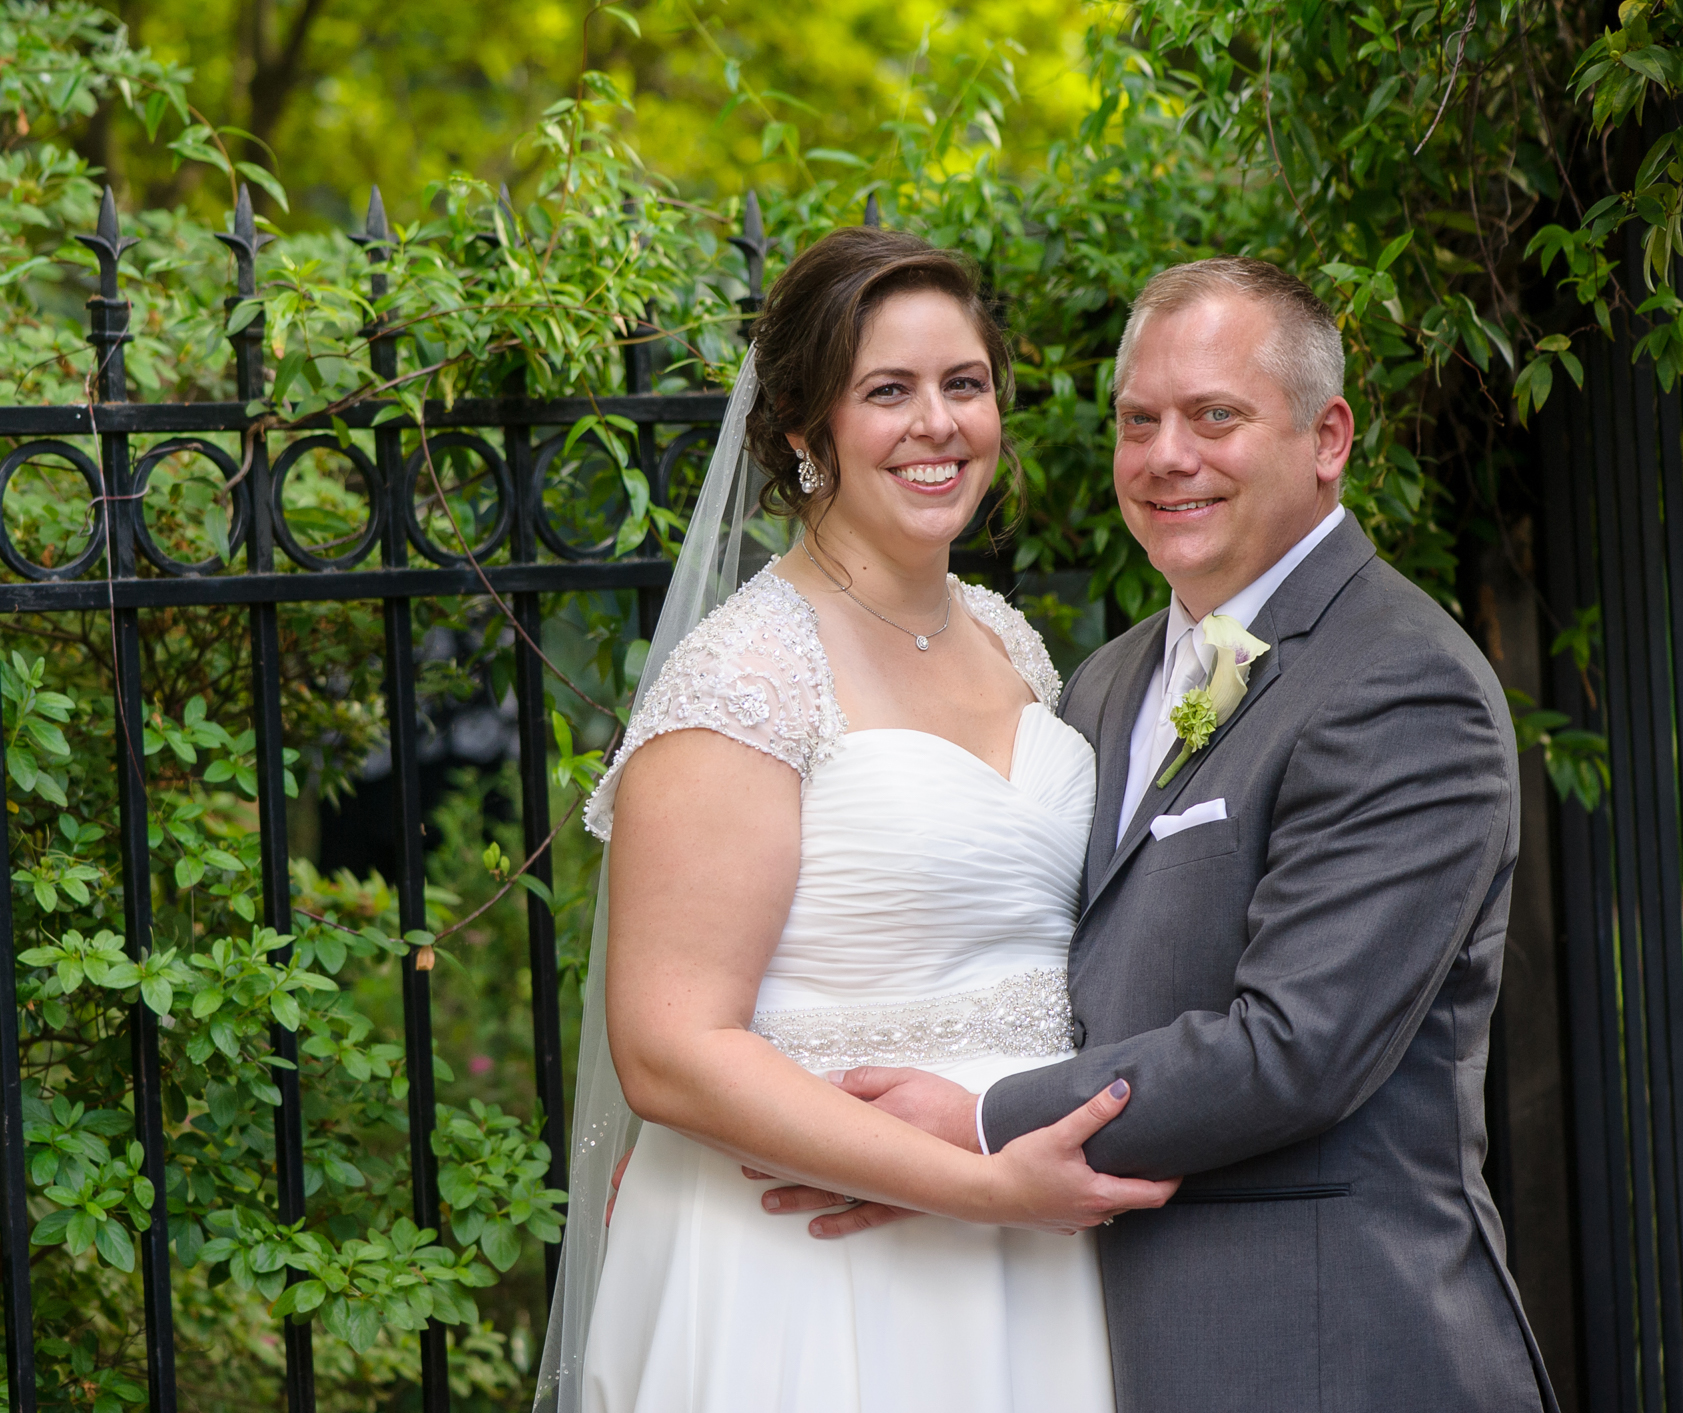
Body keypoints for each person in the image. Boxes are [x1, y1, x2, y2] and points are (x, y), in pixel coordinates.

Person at [762, 257, 1560, 1412]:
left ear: (1326, 437)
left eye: (1213, 417)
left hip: (1327, 1343)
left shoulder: (1398, 684)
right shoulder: (1105, 680)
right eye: (1138, 421)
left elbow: (1295, 1048)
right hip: (1095, 1330)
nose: (1165, 457)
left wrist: (978, 1124)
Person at [532, 226, 1176, 1413]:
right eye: (887, 391)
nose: (936, 424)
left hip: (1030, 1251)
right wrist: (980, 1187)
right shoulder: (744, 676)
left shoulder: (1006, 642)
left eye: (963, 384)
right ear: (801, 430)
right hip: (814, 1270)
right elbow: (669, 1050)